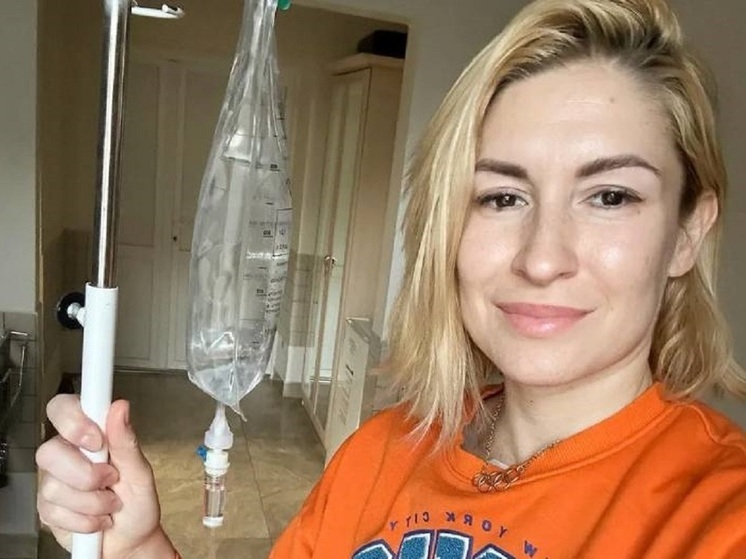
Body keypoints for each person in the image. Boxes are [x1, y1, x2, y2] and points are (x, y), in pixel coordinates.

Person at [36, 0, 746, 557]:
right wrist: (137, 545)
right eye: (501, 197)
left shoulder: (715, 518)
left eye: (610, 196)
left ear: (688, 231)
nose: (541, 258)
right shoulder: (380, 453)